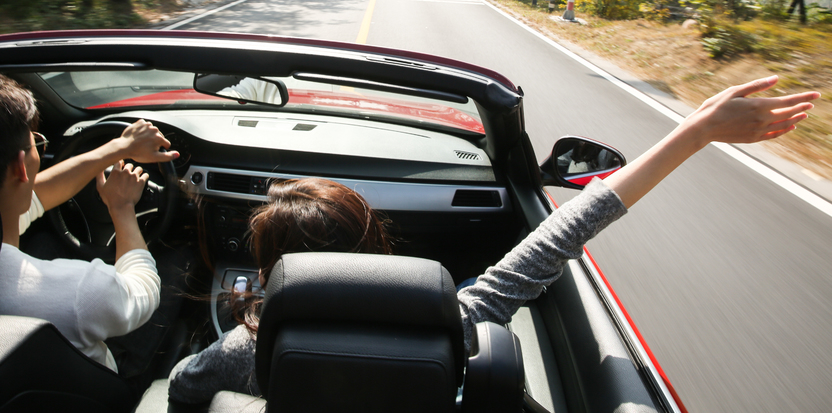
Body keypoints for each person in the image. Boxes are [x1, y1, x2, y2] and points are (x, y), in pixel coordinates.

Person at [167, 75, 819, 403]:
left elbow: (181, 390)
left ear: (272, 273)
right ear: (375, 247)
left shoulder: (241, 351)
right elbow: (568, 229)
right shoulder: (453, 321)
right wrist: (696, 129)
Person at [0, 70, 180, 372]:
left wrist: (117, 148)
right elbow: (143, 290)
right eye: (36, 143)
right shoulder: (82, 293)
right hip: (97, 390)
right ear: (21, 167)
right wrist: (122, 207)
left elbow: (34, 195)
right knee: (180, 265)